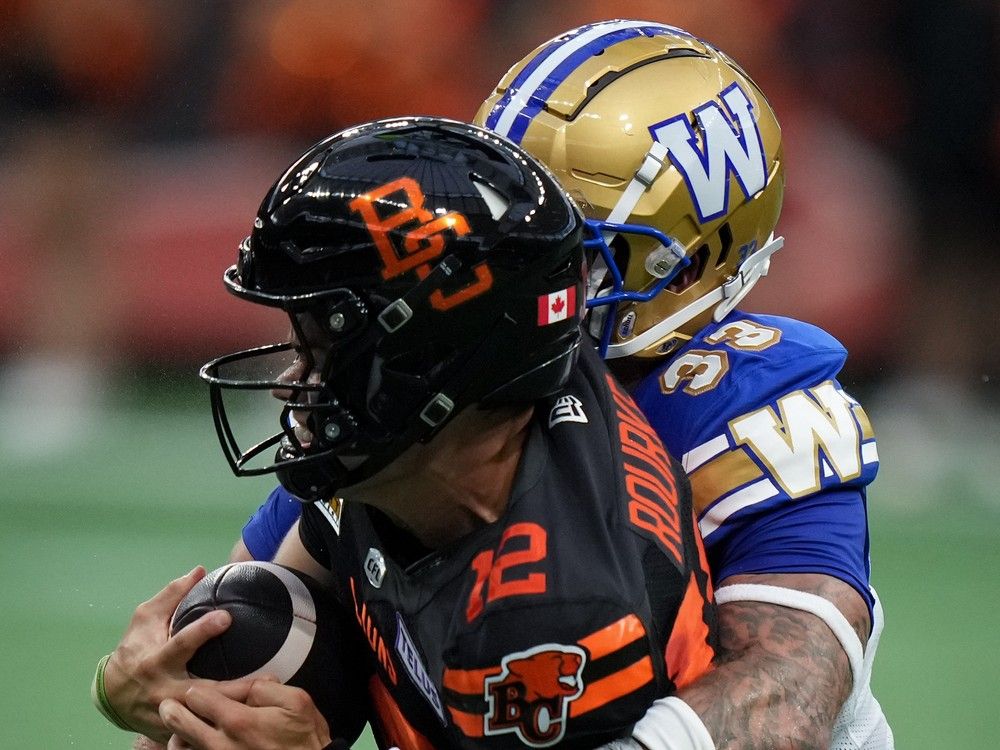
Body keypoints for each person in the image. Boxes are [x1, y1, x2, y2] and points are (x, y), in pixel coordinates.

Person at [234, 20, 895, 750]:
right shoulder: (442, 380)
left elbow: (787, 693)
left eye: (571, 248)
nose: (521, 271)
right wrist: (188, 670)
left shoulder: (743, 404)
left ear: (689, 262)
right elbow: (260, 591)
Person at [94, 117, 717, 749]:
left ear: (427, 363)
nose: (289, 386)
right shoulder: (466, 424)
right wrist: (160, 690)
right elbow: (258, 603)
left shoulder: (550, 617)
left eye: (323, 351)